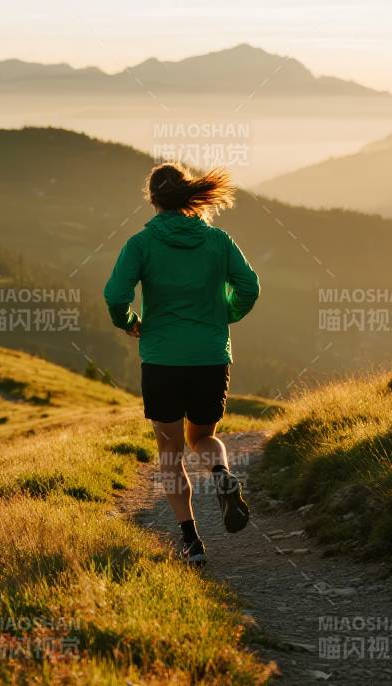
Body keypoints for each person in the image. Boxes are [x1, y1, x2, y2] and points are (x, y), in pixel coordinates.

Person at [103, 162, 260, 565]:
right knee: (202, 439)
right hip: (210, 357)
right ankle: (222, 474)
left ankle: (191, 542)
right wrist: (224, 315)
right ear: (189, 195)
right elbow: (249, 287)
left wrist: (130, 323)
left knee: (170, 451)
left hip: (162, 359)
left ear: (153, 199)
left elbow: (115, 295)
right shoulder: (218, 240)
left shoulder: (141, 244)